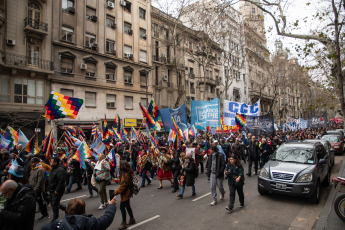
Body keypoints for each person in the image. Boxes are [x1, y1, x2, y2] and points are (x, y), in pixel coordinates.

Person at [41, 197, 117, 230]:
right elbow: (106, 219)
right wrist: (111, 205)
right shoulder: (89, 223)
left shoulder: (57, 224)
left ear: (68, 209)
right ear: (83, 210)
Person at [114, 160, 136, 230]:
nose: (118, 166)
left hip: (126, 193)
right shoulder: (125, 173)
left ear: (122, 166)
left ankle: (124, 222)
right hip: (127, 192)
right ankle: (132, 219)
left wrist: (115, 192)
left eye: (119, 165)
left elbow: (123, 186)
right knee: (127, 206)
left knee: (122, 207)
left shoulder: (125, 174)